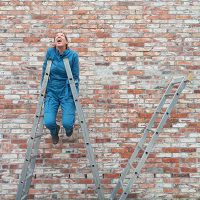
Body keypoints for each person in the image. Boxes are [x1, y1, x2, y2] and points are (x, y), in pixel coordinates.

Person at [41, 32, 80, 144]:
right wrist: (43, 90)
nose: (59, 36)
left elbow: (76, 77)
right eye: (56, 36)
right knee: (48, 122)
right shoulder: (50, 52)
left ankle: (69, 129)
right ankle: (54, 131)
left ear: (66, 42)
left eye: (62, 35)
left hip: (66, 92)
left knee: (68, 123)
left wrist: (75, 94)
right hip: (52, 91)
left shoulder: (73, 55)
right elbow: (44, 72)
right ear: (55, 42)